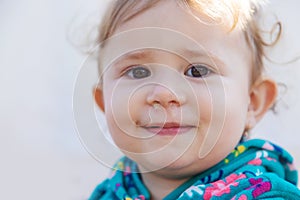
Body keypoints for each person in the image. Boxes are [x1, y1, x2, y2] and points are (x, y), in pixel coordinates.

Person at [89, 0, 300, 199]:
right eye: (138, 72)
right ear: (104, 102)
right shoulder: (110, 192)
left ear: (252, 103)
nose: (164, 93)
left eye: (197, 71)